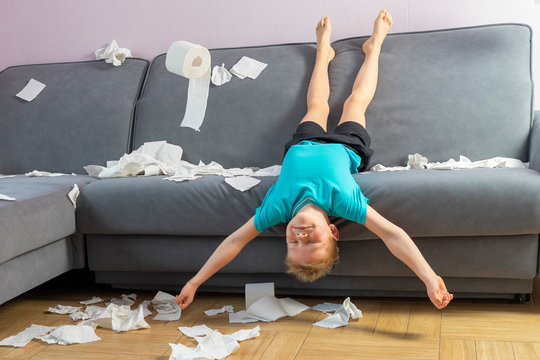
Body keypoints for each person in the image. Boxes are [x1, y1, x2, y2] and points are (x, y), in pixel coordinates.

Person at [176, 10, 453, 310]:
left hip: (304, 143)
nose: (301, 237)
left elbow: (234, 242)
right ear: (333, 231)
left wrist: (195, 282)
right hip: (348, 149)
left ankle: (323, 52)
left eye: (294, 244)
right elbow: (392, 234)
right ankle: (375, 47)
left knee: (317, 103)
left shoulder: (276, 208)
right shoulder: (344, 202)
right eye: (312, 242)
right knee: (355, 102)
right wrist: (428, 276)